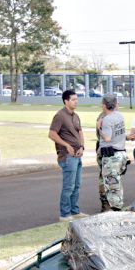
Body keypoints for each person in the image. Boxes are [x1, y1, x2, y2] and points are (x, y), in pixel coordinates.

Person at [48, 89, 85, 221]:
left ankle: (75, 211)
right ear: (66, 101)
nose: (76, 102)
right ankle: (65, 214)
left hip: (78, 155)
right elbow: (52, 134)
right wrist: (66, 145)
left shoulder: (76, 116)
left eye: (77, 99)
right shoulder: (60, 116)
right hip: (67, 156)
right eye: (73, 99)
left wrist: (82, 146)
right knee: (68, 186)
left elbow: (80, 133)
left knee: (77, 185)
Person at [98, 94, 128, 211]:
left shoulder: (107, 120)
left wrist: (99, 128)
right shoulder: (120, 116)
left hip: (112, 157)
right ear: (115, 105)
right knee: (117, 185)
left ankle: (116, 211)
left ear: (104, 105)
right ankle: (118, 207)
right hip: (121, 153)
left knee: (112, 188)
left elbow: (107, 138)